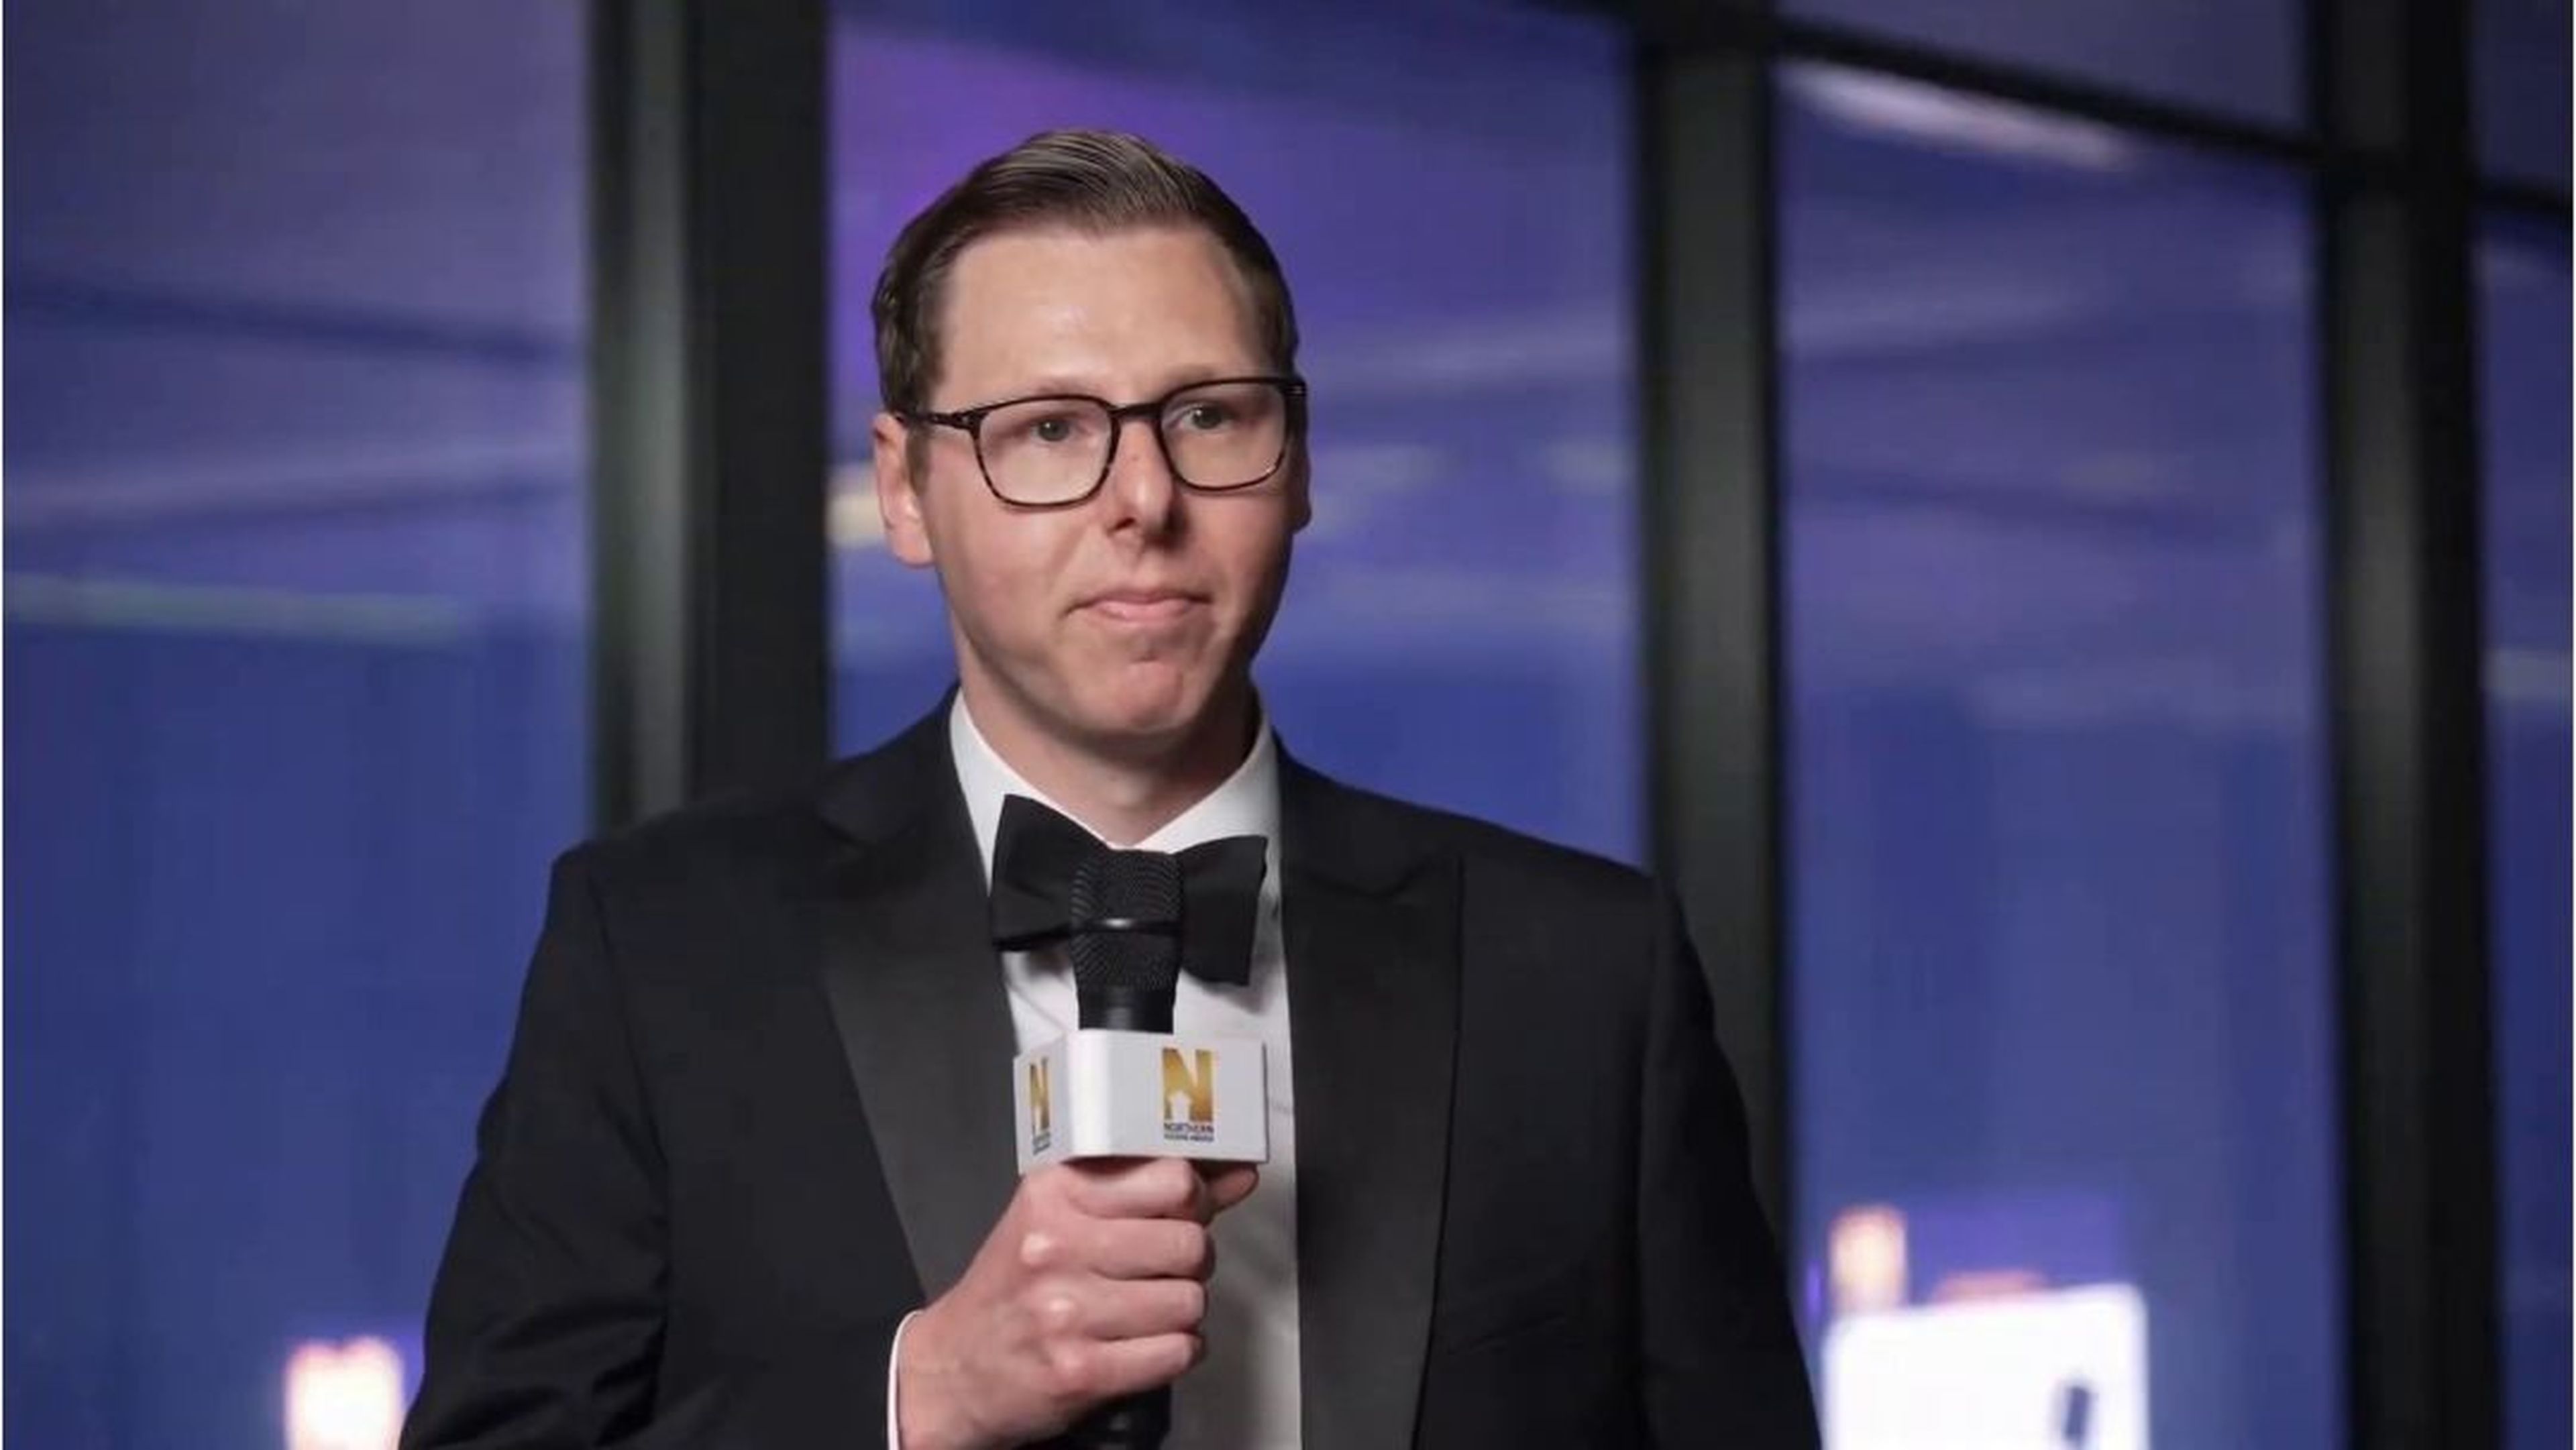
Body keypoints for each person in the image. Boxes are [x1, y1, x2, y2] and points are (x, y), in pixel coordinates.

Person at [402, 128, 1818, 1449]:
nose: (1144, 497)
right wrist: (922, 1394)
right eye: (1049, 430)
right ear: (905, 489)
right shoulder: (662, 949)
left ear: (1298, 462)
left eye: (1207, 414)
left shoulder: (1582, 974)